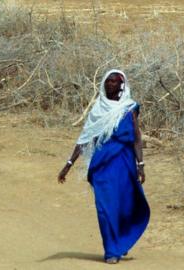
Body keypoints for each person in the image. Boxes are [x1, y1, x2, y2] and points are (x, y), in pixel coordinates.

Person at [57, 69, 150, 264]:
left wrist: (140, 164)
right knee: (105, 207)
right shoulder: (98, 110)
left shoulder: (129, 108)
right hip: (102, 165)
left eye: (114, 81)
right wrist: (68, 165)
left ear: (121, 85)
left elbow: (136, 137)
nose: (110, 84)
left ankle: (121, 240)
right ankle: (111, 250)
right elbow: (85, 139)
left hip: (124, 164)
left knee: (124, 206)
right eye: (107, 81)